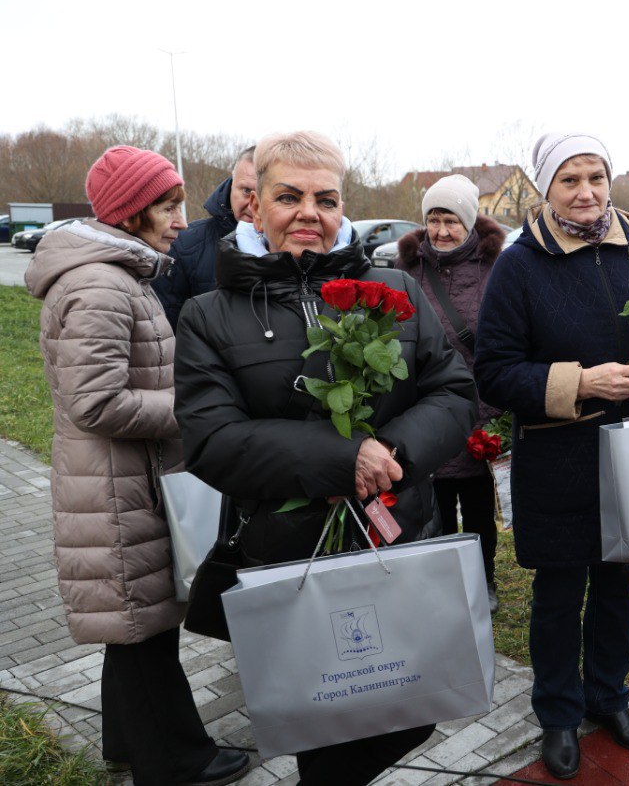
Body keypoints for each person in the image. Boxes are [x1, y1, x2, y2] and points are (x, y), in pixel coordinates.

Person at [173, 131, 477, 785]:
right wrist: (343, 457)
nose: (309, 211)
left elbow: (454, 390)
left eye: (326, 197)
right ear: (253, 206)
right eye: (289, 195)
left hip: (397, 540)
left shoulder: (393, 286)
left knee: (410, 705)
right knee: (325, 723)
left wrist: (389, 453)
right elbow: (211, 438)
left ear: (343, 207)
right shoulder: (210, 314)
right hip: (292, 558)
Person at [473, 132, 629, 780]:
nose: (587, 191)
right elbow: (494, 371)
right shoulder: (522, 265)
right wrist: (580, 382)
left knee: (618, 583)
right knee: (559, 591)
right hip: (560, 456)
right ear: (547, 189)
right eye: (570, 179)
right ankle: (559, 713)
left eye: (596, 175)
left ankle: (608, 697)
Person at [24, 146, 250, 786]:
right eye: (168, 206)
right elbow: (96, 402)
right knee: (143, 635)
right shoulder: (100, 284)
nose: (182, 220)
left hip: (125, 483)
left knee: (134, 631)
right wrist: (196, 409)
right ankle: (177, 761)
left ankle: (127, 743)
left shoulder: (123, 275)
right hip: (119, 491)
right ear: (129, 214)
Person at [396, 173, 507, 613]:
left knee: (478, 505)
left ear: (468, 221)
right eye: (433, 219)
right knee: (434, 500)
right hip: (426, 408)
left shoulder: (495, 267)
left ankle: (484, 581)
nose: (441, 231)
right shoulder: (406, 270)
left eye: (451, 220)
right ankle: (443, 582)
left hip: (481, 407)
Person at [152, 146, 258, 329]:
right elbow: (167, 332)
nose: (252, 204)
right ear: (231, 184)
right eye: (246, 191)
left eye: (263, 193)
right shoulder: (182, 244)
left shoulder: (299, 246)